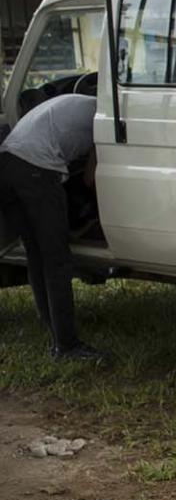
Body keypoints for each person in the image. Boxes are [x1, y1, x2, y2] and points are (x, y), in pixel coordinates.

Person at [0, 91, 110, 364]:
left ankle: (52, 327)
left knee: (36, 255)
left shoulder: (77, 101)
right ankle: (68, 346)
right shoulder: (103, 118)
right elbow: (89, 180)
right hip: (37, 171)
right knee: (57, 260)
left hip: (7, 165)